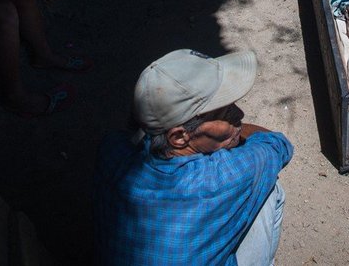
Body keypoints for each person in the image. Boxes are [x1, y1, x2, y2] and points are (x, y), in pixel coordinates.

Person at [94, 49, 293, 265]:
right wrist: (235, 134)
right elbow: (277, 145)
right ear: (179, 137)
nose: (240, 114)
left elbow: (130, 136)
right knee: (269, 188)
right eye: (225, 113)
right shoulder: (220, 177)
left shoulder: (111, 151)